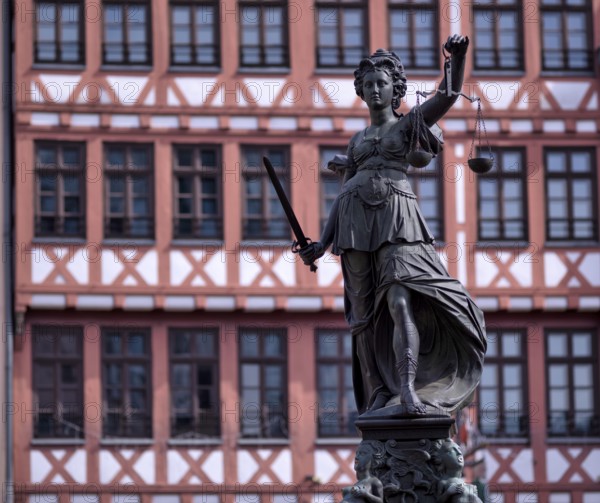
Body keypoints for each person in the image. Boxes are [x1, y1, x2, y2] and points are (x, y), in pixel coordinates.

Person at [300, 36, 487, 417]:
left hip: (397, 219)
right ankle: (378, 394)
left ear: (395, 89)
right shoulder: (356, 141)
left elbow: (448, 96)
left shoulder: (408, 127)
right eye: (367, 85)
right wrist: (322, 242)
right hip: (354, 225)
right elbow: (345, 191)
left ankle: (408, 388)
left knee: (401, 301)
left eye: (381, 84)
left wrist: (459, 58)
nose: (373, 91)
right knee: (364, 319)